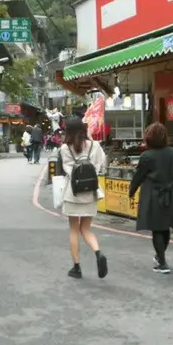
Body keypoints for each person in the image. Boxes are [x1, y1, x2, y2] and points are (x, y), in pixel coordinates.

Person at [129, 122, 173, 274]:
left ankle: (162, 262)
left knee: (156, 229)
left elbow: (138, 176)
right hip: (171, 194)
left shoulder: (147, 156)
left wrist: (131, 191)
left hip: (153, 195)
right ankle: (160, 257)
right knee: (165, 226)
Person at [59, 117, 108, 279]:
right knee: (86, 228)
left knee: (74, 229)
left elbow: (67, 170)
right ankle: (98, 252)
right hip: (91, 192)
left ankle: (76, 267)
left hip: (73, 192)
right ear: (83, 129)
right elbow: (101, 165)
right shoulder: (95, 145)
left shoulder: (65, 148)